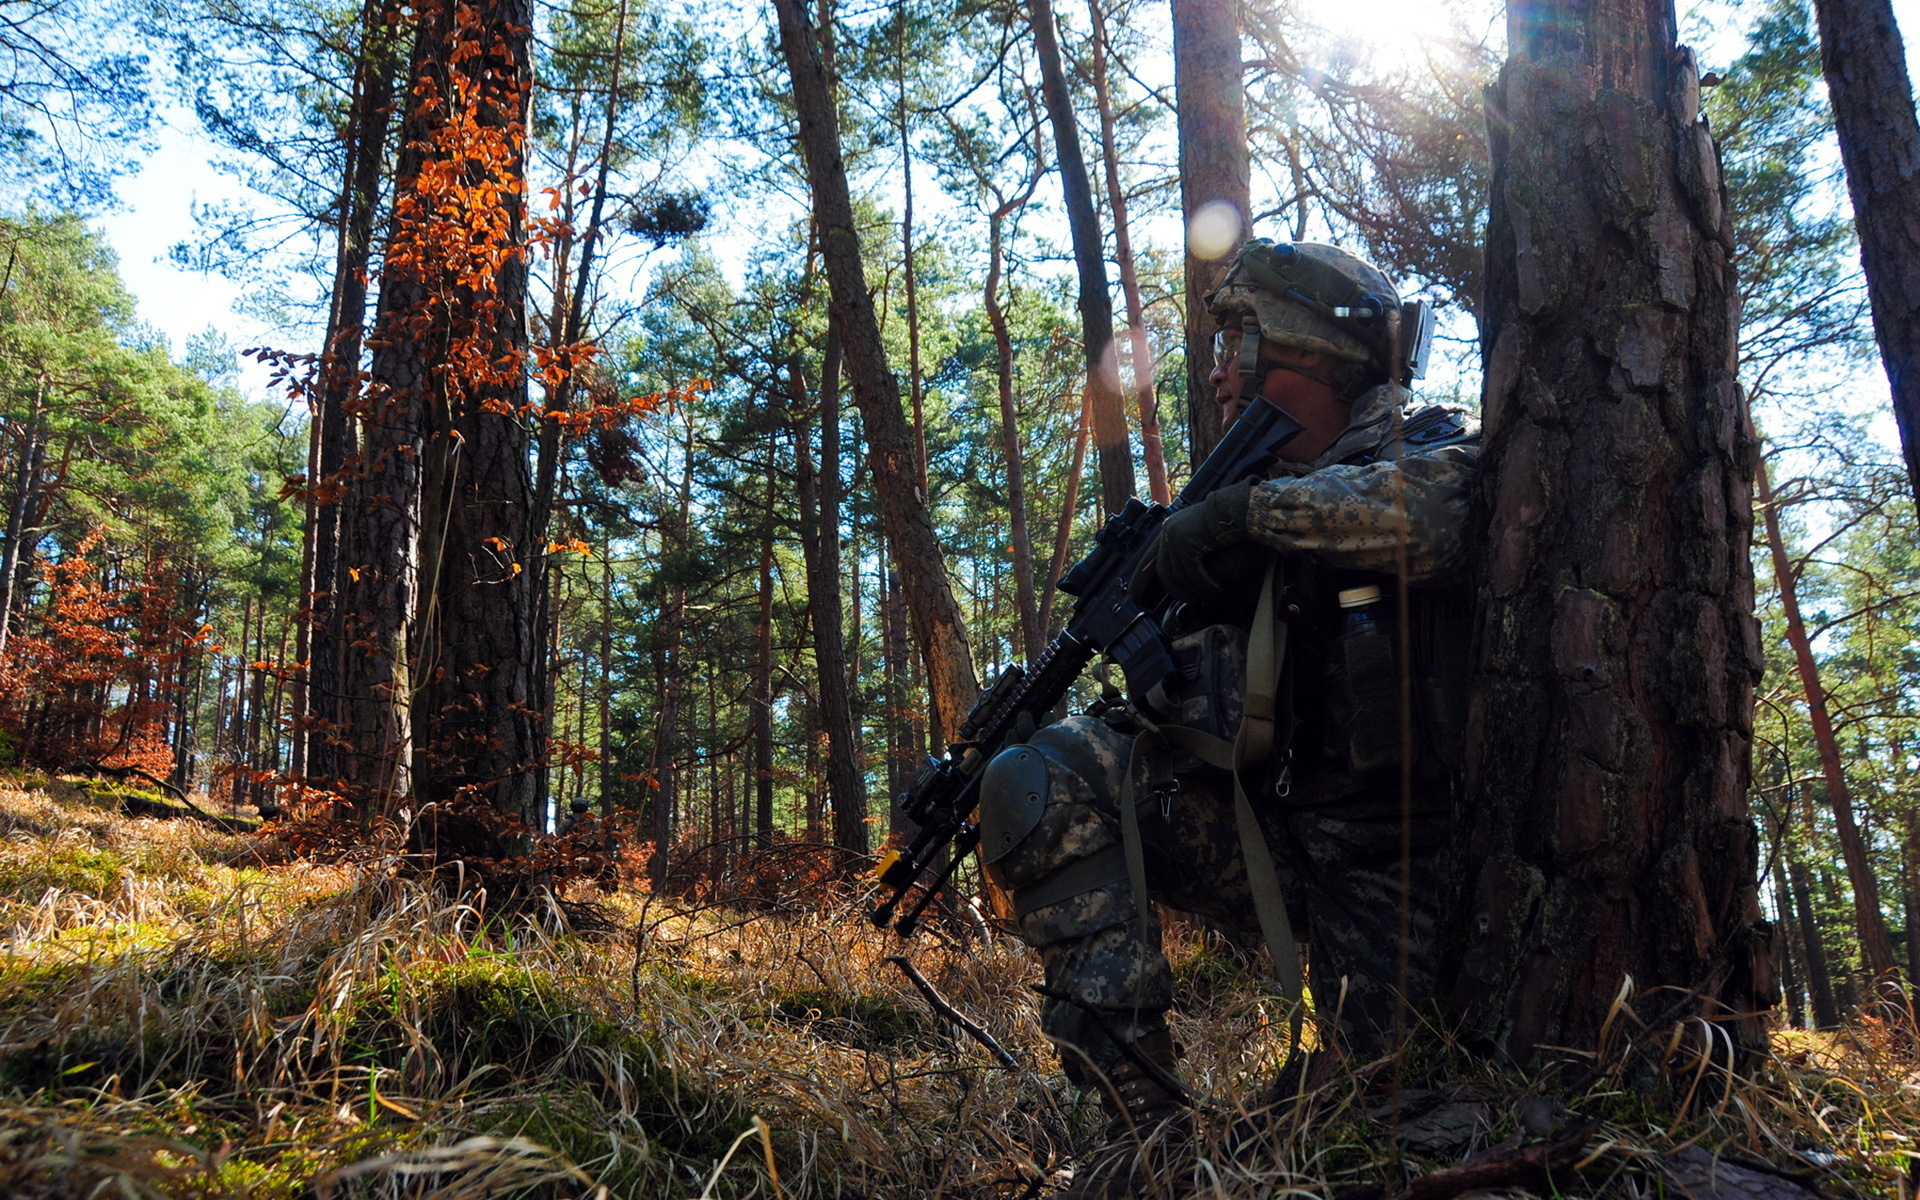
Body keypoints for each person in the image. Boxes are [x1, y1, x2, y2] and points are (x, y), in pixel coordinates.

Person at [974, 238, 1479, 1185]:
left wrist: (1243, 519)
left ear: (1300, 350)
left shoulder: (1433, 449)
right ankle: (1141, 1139)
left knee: (1355, 1129)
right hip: (1276, 846)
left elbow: (1436, 515)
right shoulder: (1236, 502)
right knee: (1045, 776)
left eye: (1233, 344)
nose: (1214, 375)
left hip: (1402, 879)